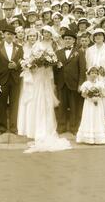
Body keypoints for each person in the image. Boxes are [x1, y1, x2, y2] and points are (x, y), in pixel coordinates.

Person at [22, 25, 71, 153]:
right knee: (37, 99)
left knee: (47, 100)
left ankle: (47, 128)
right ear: (42, 33)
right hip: (38, 75)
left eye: (48, 32)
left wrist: (50, 62)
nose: (46, 34)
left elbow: (56, 60)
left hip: (48, 75)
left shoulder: (54, 45)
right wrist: (36, 64)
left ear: (51, 34)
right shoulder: (37, 45)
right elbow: (32, 60)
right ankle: (36, 128)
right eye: (44, 32)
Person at [0, 25, 23, 135]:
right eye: (7, 34)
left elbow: (22, 62)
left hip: (15, 80)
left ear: (14, 36)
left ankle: (14, 127)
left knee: (15, 104)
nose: (9, 36)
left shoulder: (19, 47)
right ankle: (1, 127)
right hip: (2, 80)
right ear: (3, 35)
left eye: (12, 34)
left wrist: (16, 66)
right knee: (2, 104)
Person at [54, 29, 86, 135]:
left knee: (74, 106)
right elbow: (54, 69)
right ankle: (61, 127)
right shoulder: (58, 53)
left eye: (70, 39)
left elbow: (82, 69)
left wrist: (81, 84)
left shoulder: (79, 52)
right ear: (63, 40)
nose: (67, 40)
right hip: (61, 83)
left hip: (74, 83)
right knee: (61, 106)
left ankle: (74, 127)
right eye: (66, 39)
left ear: (74, 41)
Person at [85, 28, 105, 119]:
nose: (98, 37)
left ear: (104, 37)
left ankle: (104, 124)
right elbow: (87, 66)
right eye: (96, 35)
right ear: (93, 38)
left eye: (100, 35)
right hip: (93, 78)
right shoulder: (89, 50)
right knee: (93, 97)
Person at [76, 66, 105, 145]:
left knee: (97, 117)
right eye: (92, 73)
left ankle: (99, 138)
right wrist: (89, 97)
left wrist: (97, 96)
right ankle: (88, 137)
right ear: (88, 74)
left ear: (98, 74)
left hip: (98, 104)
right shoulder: (86, 84)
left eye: (95, 73)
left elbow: (102, 94)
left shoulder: (100, 84)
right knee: (89, 117)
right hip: (89, 104)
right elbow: (83, 95)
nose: (94, 75)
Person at [17, 28, 38, 137]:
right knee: (25, 99)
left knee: (35, 99)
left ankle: (34, 128)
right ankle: (24, 127)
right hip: (26, 77)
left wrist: (35, 67)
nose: (32, 38)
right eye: (30, 36)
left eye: (34, 36)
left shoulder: (40, 48)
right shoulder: (22, 48)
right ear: (27, 37)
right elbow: (20, 60)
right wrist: (25, 65)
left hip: (36, 78)